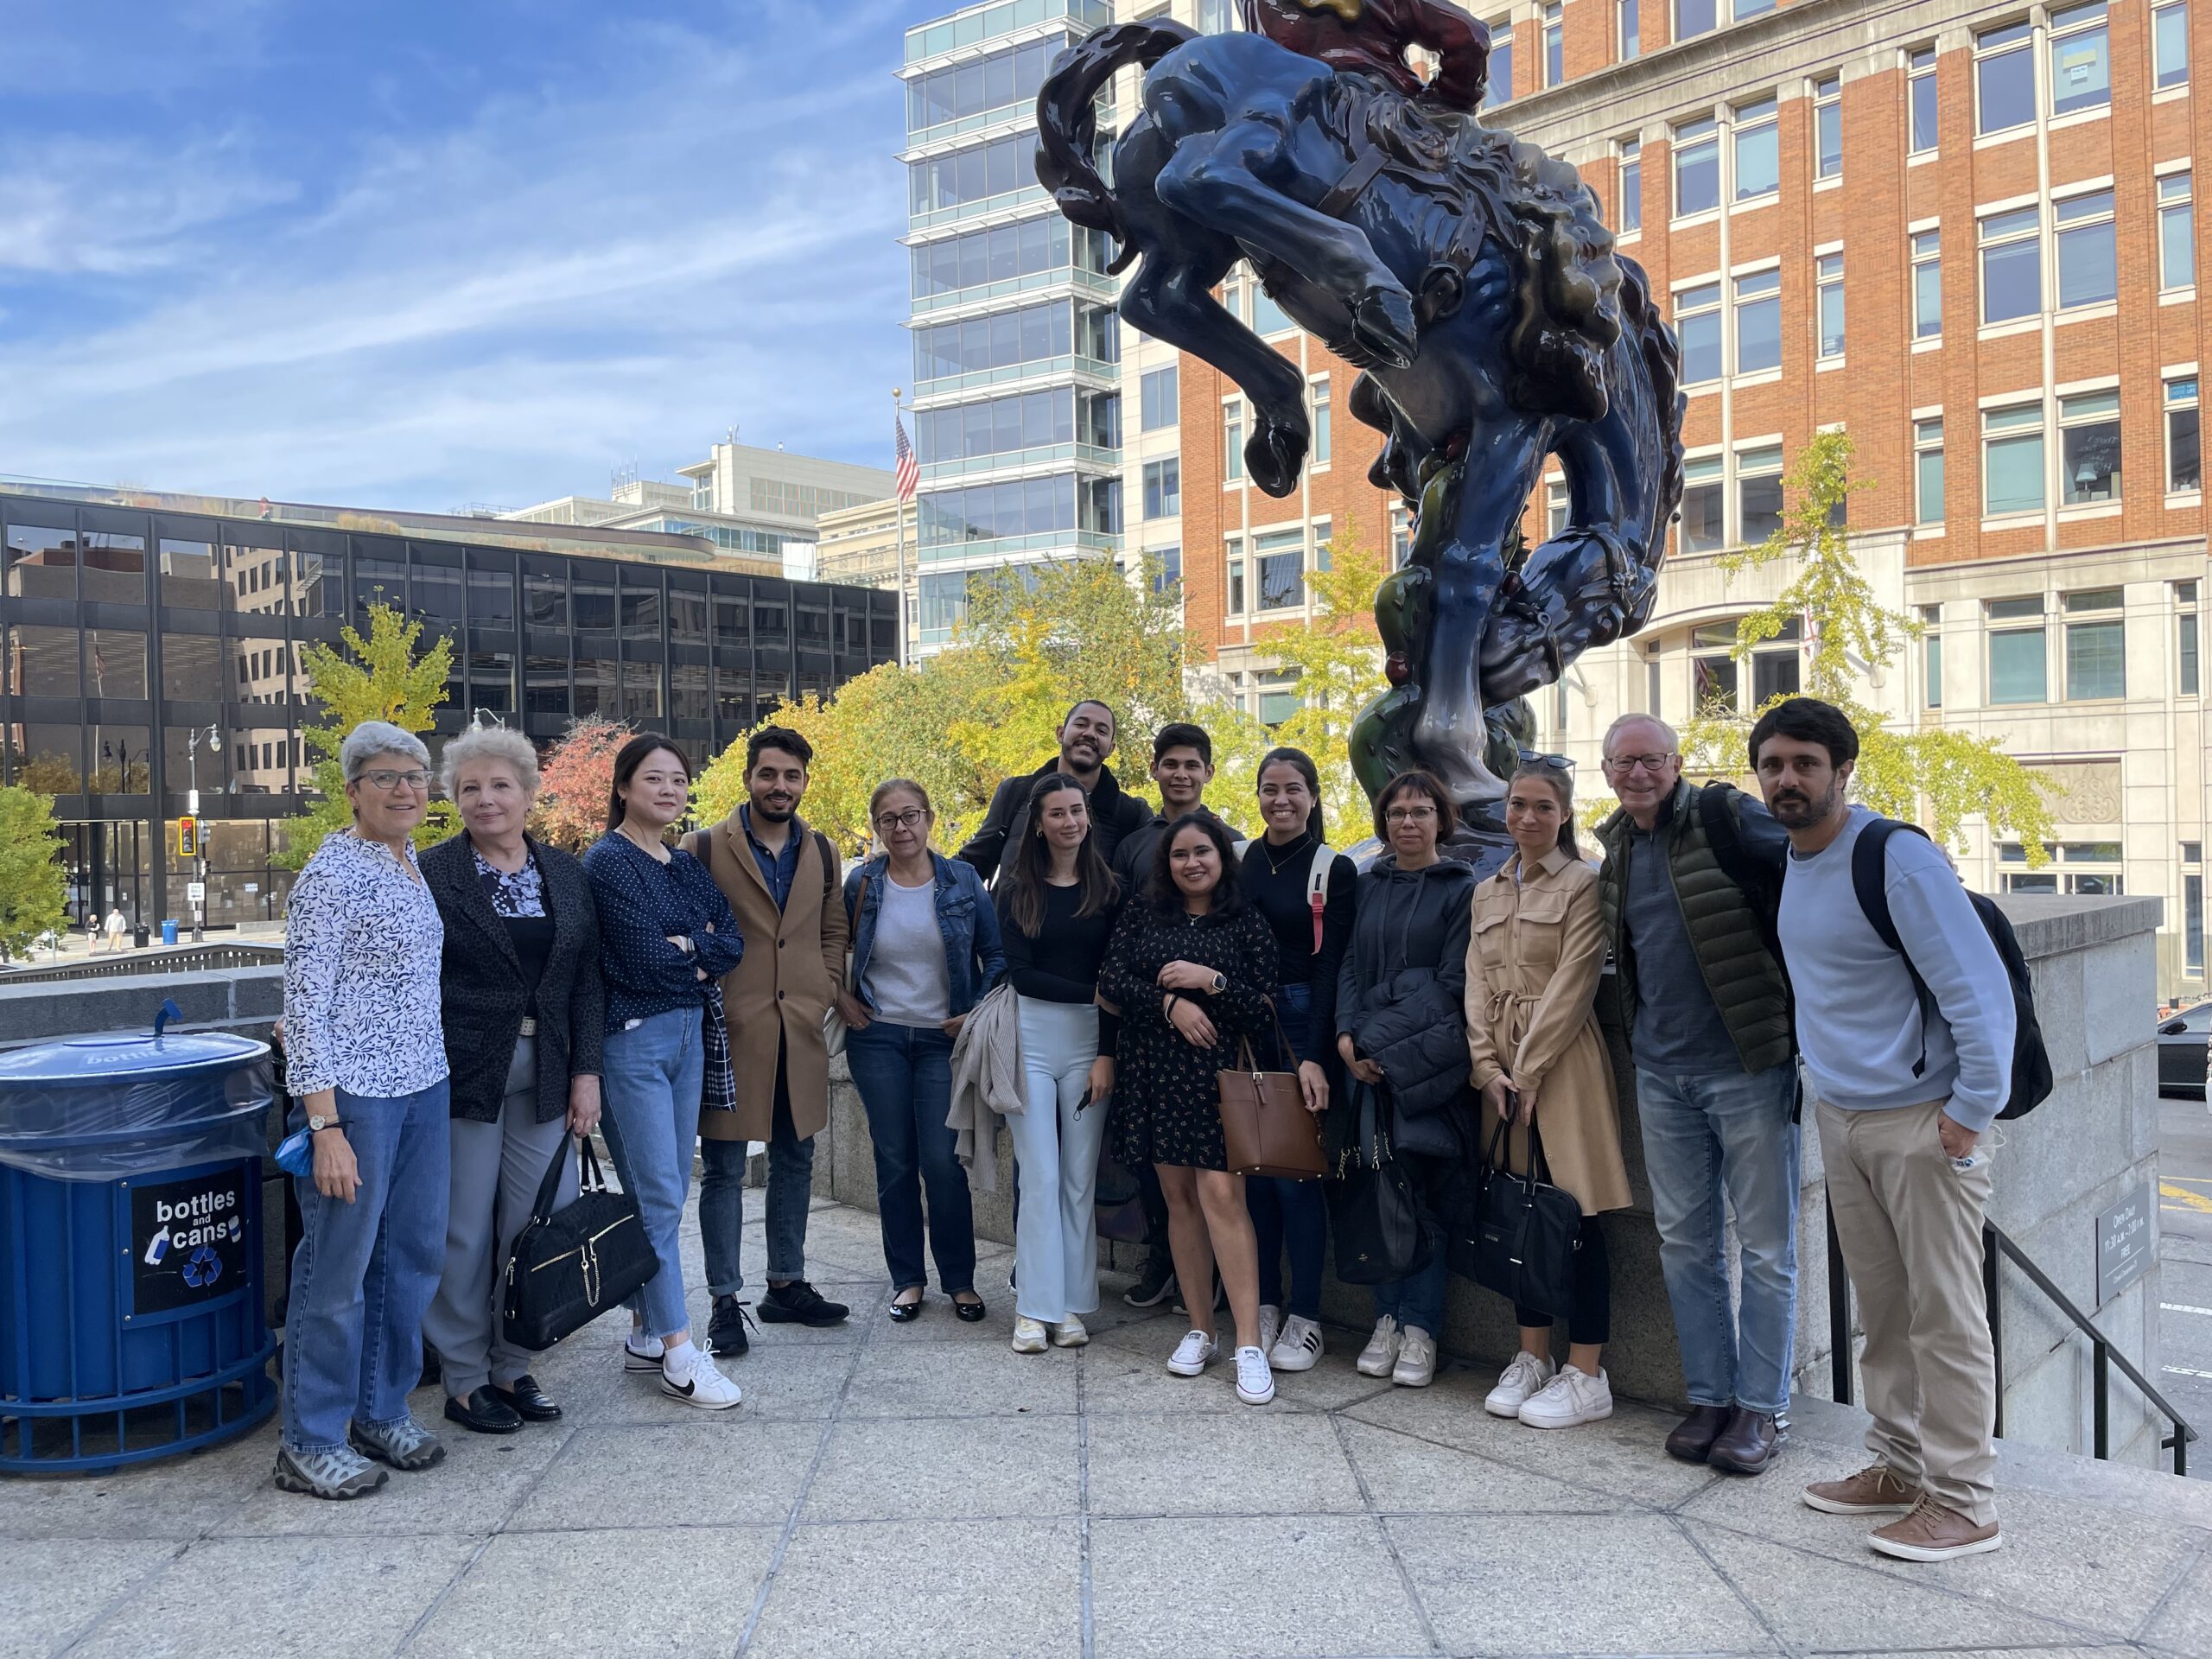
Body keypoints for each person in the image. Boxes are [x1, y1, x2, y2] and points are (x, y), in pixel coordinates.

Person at [1757, 697, 2013, 1563]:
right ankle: (1900, 1467)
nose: (1787, 780)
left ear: (1842, 770)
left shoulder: (1894, 856)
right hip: (1842, 1115)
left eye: (1805, 763)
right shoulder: (1794, 859)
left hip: (1922, 1121)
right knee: (1885, 1310)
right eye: (1772, 765)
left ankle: (1965, 1502)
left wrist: (1968, 1113)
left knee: (1947, 1316)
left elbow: (1979, 990)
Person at [1592, 713, 1799, 1475]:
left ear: (1676, 764)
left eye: (1652, 759)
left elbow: (1811, 861)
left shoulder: (1724, 816)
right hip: (1660, 1072)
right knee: (1685, 1245)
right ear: (1607, 772)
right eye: (1624, 763)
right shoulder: (1616, 848)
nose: (1638, 773)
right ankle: (1710, 1398)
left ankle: (1762, 1408)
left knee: (1768, 1248)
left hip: (1748, 1064)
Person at [275, 721, 451, 1499]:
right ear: (353, 790)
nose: (406, 789)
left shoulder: (407, 861)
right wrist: (325, 1127)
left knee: (409, 1258)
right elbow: (305, 1008)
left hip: (423, 1085)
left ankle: (379, 1410)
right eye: (386, 777)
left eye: (415, 776)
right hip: (354, 1098)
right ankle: (310, 1439)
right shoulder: (331, 875)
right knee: (337, 1271)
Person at [420, 726, 604, 1435]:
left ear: (528, 793)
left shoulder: (565, 873)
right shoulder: (432, 872)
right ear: (454, 799)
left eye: (500, 785)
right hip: (464, 1074)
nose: (486, 799)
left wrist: (587, 1072)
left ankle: (512, 1363)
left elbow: (586, 980)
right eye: (470, 788)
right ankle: (465, 1379)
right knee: (463, 1231)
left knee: (536, 1225)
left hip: (549, 1071)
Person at [583, 734, 745, 1411]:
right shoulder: (607, 861)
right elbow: (645, 958)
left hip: (687, 1036)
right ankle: (681, 1353)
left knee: (669, 1192)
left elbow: (731, 941)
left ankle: (646, 1332)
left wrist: (691, 947)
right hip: (634, 1043)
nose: (669, 789)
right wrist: (692, 951)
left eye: (679, 779)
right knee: (655, 1198)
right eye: (654, 778)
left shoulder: (681, 863)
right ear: (623, 787)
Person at [1466, 762, 1630, 1429]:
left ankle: (1587, 1371)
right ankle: (1531, 1355)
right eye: (1517, 804)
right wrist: (1486, 1067)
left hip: (1561, 1063)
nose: (1527, 818)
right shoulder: (1486, 891)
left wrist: (1529, 1071)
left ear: (1563, 813)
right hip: (1500, 1072)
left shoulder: (1584, 883)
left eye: (1541, 806)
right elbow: (1475, 984)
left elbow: (1575, 983)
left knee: (1577, 1215)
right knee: (1518, 1213)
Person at [1102, 815, 1282, 1402]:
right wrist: (1169, 1004)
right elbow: (1111, 981)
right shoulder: (1143, 912)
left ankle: (1249, 1343)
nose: (1191, 863)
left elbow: (1265, 1008)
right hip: (1154, 1073)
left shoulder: (1244, 919)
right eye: (1180, 854)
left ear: (1221, 856)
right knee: (1178, 1201)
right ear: (1167, 863)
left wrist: (1212, 982)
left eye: (1202, 851)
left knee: (1224, 1198)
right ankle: (1201, 1329)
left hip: (1217, 1081)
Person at [690, 726, 852, 1350]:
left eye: (792, 776)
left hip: (800, 1029)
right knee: (725, 1169)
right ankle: (724, 1301)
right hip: (732, 1031)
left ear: (804, 781)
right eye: (769, 774)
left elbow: (832, 929)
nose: (780, 786)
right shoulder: (705, 846)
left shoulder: (824, 851)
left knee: (795, 1157)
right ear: (748, 778)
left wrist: (824, 986)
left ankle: (786, 1284)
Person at [840, 779, 1003, 1323]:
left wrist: (973, 1011)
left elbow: (996, 954)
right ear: (876, 828)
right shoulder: (862, 882)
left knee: (942, 1161)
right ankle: (907, 1279)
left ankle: (960, 1281)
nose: (901, 827)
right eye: (888, 819)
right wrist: (842, 998)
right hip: (878, 1037)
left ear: (929, 819)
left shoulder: (962, 880)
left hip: (943, 1040)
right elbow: (830, 947)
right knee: (894, 1161)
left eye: (910, 815)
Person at [1338, 770, 1477, 1388]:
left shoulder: (1462, 889)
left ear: (1441, 820)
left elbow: (1450, 984)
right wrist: (1346, 1036)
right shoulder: (1368, 884)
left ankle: (1421, 1327)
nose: (1408, 823)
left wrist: (1377, 1037)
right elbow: (1348, 965)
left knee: (1421, 1194)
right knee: (1379, 1189)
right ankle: (1387, 1319)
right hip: (1362, 1062)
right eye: (1396, 813)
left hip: (1426, 1065)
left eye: (1421, 812)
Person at [1110, 721, 1244, 1312]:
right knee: (1157, 1174)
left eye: (1193, 764)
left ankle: (1225, 1285)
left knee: (1221, 1184)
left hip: (1217, 1044)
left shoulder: (1232, 842)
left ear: (1208, 772)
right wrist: (1160, 1004)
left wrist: (1211, 985)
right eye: (1171, 763)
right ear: (1155, 770)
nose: (1181, 774)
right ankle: (1165, 1263)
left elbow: (1248, 951)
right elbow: (1118, 952)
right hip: (1149, 1038)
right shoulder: (1132, 846)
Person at [1237, 747, 1354, 1371]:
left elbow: (1331, 967)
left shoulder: (1333, 868)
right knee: (1252, 1175)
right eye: (1269, 789)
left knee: (1295, 1179)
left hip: (1301, 1020)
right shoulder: (1240, 859)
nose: (1280, 800)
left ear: (1312, 796)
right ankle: (1264, 1304)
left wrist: (1315, 1056)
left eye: (1292, 790)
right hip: (1243, 1023)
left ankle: (1306, 1316)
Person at [995, 772, 1122, 1354]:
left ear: (1088, 817)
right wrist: (1093, 994)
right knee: (1041, 1175)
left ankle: (1070, 1305)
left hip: (1089, 1046)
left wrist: (1106, 1052)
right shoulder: (1016, 890)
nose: (1069, 821)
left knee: (1077, 1179)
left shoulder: (1110, 890)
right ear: (1039, 825)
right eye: (1057, 813)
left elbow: (1117, 981)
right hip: (1030, 1038)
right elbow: (1021, 975)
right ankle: (1032, 1309)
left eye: (1077, 811)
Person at [958, 699, 1150, 885]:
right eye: (1081, 724)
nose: (1090, 734)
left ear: (1111, 748)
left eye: (1101, 731)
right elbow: (974, 862)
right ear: (1060, 734)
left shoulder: (1130, 813)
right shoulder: (1016, 792)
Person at [1240, 0, 1491, 111]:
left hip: (1288, 117)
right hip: (1377, 118)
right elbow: (1469, 38)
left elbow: (1469, 38)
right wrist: (1442, 106)